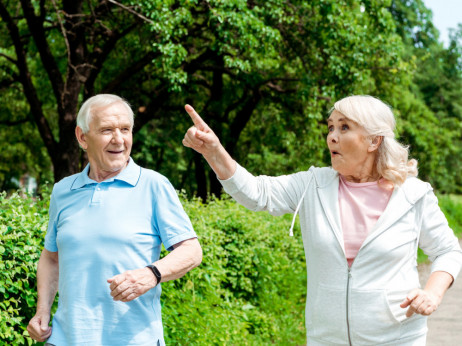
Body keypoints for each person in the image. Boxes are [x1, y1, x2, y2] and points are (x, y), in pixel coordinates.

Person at [182, 95, 462, 345]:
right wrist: (214, 152)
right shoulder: (312, 185)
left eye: (344, 127)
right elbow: (257, 193)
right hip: (326, 338)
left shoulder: (413, 194)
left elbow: (448, 250)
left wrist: (433, 294)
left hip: (397, 338)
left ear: (374, 141)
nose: (331, 136)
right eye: (330, 127)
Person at [27, 94, 202, 346]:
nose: (118, 139)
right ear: (82, 137)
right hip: (64, 339)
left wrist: (152, 274)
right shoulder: (63, 190)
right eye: (107, 130)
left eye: (125, 129)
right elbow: (51, 257)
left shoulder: (153, 185)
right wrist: (42, 310)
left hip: (133, 340)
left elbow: (192, 251)